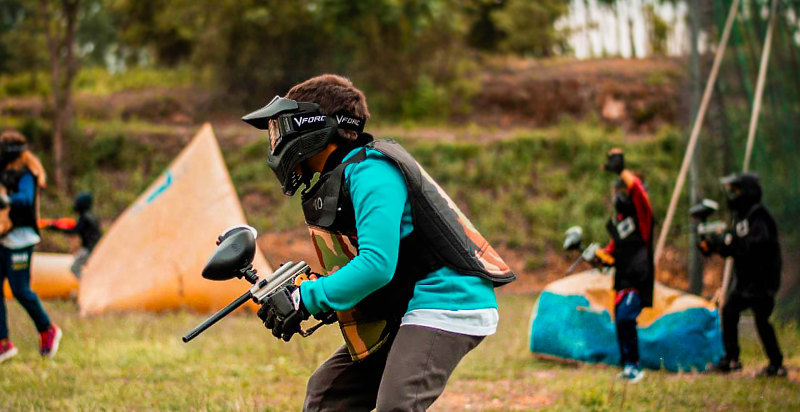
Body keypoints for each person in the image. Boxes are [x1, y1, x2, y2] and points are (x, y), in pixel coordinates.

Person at [241, 74, 515, 411]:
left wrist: (306, 298)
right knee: (328, 395)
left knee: (397, 405)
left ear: (312, 127)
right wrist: (309, 295)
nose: (276, 142)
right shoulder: (346, 173)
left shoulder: (372, 171)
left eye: (281, 130)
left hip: (448, 298)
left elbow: (376, 264)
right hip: (409, 302)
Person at [698, 173, 786, 377]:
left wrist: (729, 242)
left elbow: (756, 247)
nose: (732, 195)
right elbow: (734, 248)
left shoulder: (759, 216)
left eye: (735, 190)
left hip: (762, 282)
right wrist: (715, 245)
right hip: (746, 281)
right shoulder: (740, 217)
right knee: (730, 312)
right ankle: (732, 359)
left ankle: (776, 364)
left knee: (761, 320)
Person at [0, 130, 62, 363]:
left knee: (19, 289)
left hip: (20, 239)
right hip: (3, 236)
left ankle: (47, 329)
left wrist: (6, 200)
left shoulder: (27, 174)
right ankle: (3, 342)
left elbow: (26, 197)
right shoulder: (4, 171)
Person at [595, 148, 654, 383]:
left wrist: (623, 171)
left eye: (623, 191)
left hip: (638, 279)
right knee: (620, 321)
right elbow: (611, 251)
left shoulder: (643, 218)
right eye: (616, 191)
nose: (619, 196)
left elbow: (638, 192)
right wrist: (595, 255)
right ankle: (628, 365)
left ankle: (635, 366)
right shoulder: (620, 223)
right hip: (622, 279)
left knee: (625, 318)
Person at [44, 192, 102, 278]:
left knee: (74, 268)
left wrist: (56, 228)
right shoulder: (90, 217)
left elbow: (74, 231)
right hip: (95, 249)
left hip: (90, 249)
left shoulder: (85, 218)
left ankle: (87, 286)